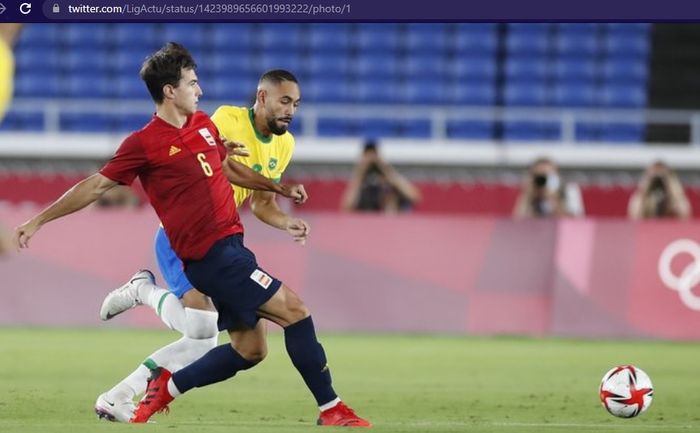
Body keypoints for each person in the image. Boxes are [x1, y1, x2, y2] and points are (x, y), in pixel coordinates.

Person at [14, 42, 370, 427]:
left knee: (250, 349)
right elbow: (95, 186)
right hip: (211, 255)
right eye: (192, 83)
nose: (199, 91)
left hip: (231, 246)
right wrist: (38, 220)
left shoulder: (202, 125)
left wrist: (277, 189)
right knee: (295, 312)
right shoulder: (144, 143)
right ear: (170, 90)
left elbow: (227, 168)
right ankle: (331, 407)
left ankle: (161, 389)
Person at [94, 69, 310, 423]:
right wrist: (221, 153)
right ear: (263, 98)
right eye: (285, 101)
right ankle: (144, 293)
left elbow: (260, 203)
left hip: (220, 239)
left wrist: (287, 221)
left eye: (296, 104)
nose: (291, 110)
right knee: (202, 333)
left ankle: (117, 395)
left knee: (208, 338)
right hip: (182, 236)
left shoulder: (284, 144)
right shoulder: (227, 118)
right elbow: (202, 157)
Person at [341, 139, 421, 213]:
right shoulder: (361, 185)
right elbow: (346, 208)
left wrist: (384, 169)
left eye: (374, 155)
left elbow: (415, 197)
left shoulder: (389, 178)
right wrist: (360, 173)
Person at [512, 156, 584, 218]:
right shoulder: (530, 192)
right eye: (539, 177)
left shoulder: (569, 190)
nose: (542, 181)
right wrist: (527, 196)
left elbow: (575, 221)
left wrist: (554, 197)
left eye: (546, 176)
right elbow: (518, 222)